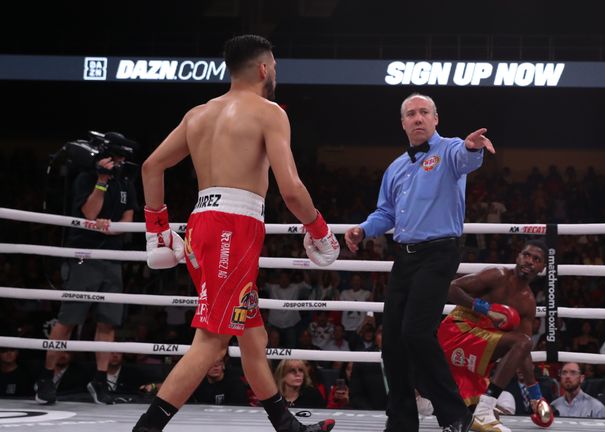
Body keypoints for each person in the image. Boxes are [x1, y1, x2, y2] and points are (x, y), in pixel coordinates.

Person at [133, 34, 337, 432]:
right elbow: (292, 189)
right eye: (274, 67)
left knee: (251, 336)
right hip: (233, 229)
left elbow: (150, 168)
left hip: (202, 224)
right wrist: (319, 230)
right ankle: (146, 428)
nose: (275, 73)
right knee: (211, 341)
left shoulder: (198, 114)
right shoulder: (269, 112)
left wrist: (158, 231)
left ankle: (287, 426)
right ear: (263, 69)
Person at [344, 92, 495, 432]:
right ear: (402, 122)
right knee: (393, 342)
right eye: (411, 113)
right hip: (406, 257)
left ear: (435, 118)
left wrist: (472, 147)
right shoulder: (395, 168)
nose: (417, 118)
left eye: (424, 112)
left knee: (416, 331)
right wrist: (362, 230)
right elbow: (385, 212)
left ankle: (455, 416)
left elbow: (466, 158)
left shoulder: (451, 149)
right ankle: (401, 422)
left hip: (440, 253)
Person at [35, 148, 138, 405]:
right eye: (118, 157)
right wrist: (101, 182)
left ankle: (100, 380)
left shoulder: (127, 182)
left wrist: (110, 227)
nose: (122, 162)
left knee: (108, 323)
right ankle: (47, 378)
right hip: (84, 256)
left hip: (114, 259)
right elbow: (90, 214)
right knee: (68, 319)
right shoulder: (86, 177)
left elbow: (127, 221)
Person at [438, 240, 554, 432]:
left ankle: (481, 408)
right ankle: (484, 409)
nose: (529, 261)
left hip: (478, 346)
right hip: (457, 331)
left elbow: (523, 349)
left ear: (542, 268)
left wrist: (536, 395)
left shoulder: (527, 303)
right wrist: (486, 309)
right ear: (518, 257)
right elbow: (451, 288)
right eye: (526, 255)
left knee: (522, 342)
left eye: (536, 259)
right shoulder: (497, 276)